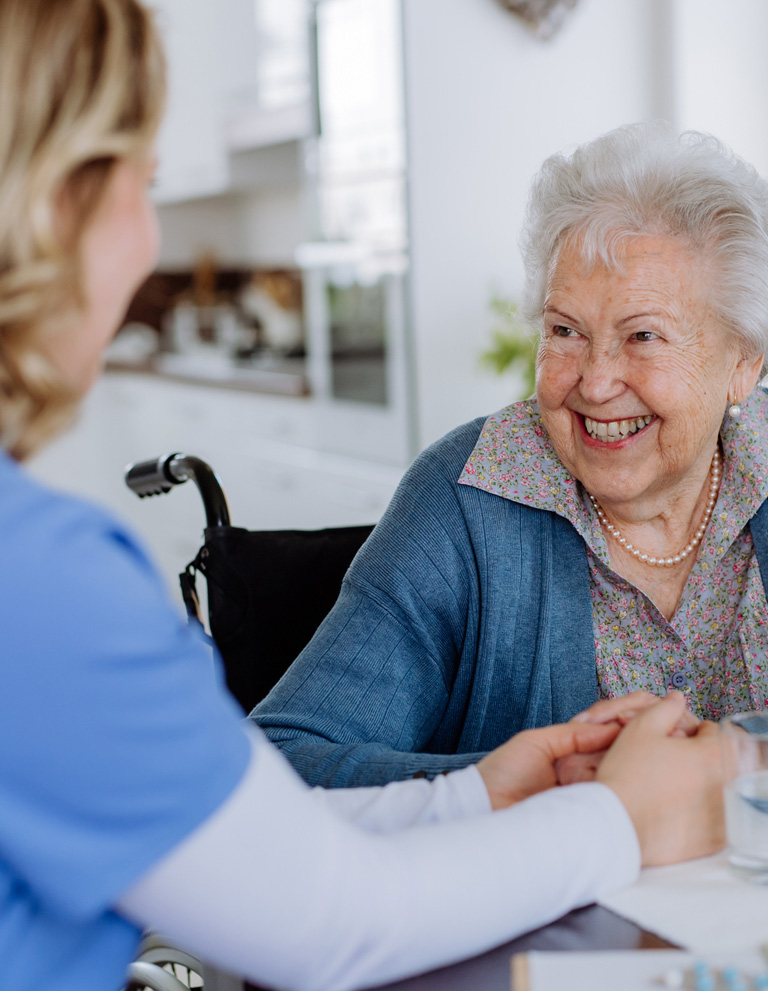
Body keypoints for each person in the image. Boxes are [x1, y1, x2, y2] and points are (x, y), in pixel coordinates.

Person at [0, 2, 728, 990]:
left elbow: (261, 846)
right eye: (144, 185)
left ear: (744, 362)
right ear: (54, 206)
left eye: (643, 335)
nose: (147, 240)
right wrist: (611, 814)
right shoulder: (44, 587)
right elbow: (324, 916)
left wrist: (475, 792)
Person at [253, 120, 768, 787]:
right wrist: (556, 781)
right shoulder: (462, 499)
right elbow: (281, 761)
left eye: (642, 335)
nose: (595, 380)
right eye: (564, 331)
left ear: (743, 364)